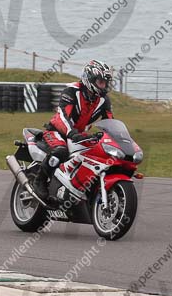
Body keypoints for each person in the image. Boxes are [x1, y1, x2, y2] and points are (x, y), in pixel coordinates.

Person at [33, 60, 114, 198]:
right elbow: (63, 116)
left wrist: (114, 138)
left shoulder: (103, 100)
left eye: (105, 82)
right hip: (57, 131)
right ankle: (39, 181)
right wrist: (71, 133)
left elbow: (111, 122)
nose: (104, 86)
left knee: (97, 154)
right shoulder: (72, 91)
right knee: (61, 151)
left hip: (79, 135)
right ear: (90, 79)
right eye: (101, 82)